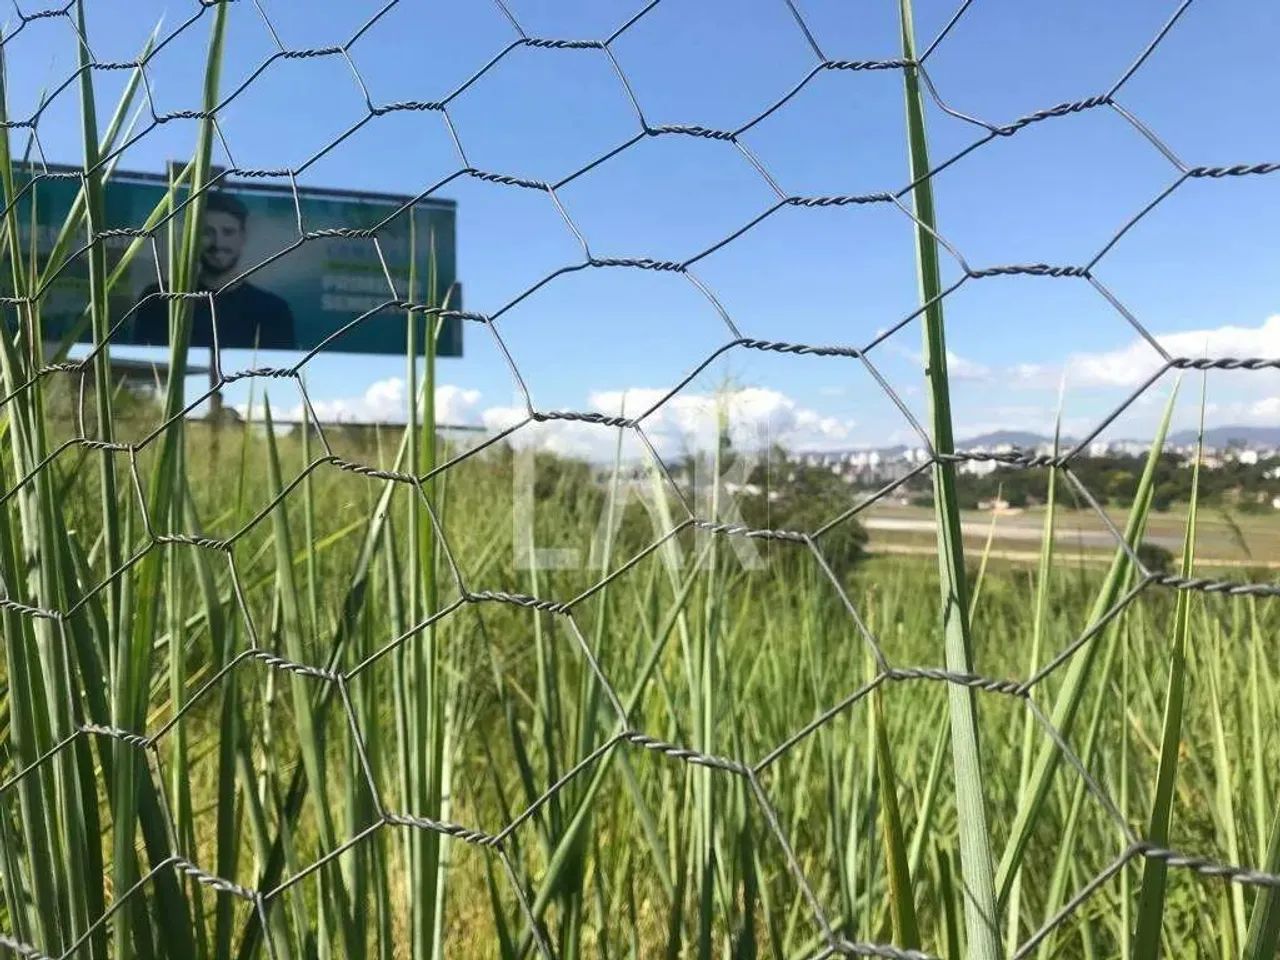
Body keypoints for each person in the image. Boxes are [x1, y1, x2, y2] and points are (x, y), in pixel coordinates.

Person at [132, 191, 295, 350]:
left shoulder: (272, 311)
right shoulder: (159, 300)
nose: (218, 243)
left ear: (243, 236)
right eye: (207, 232)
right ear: (193, 237)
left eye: (228, 232)